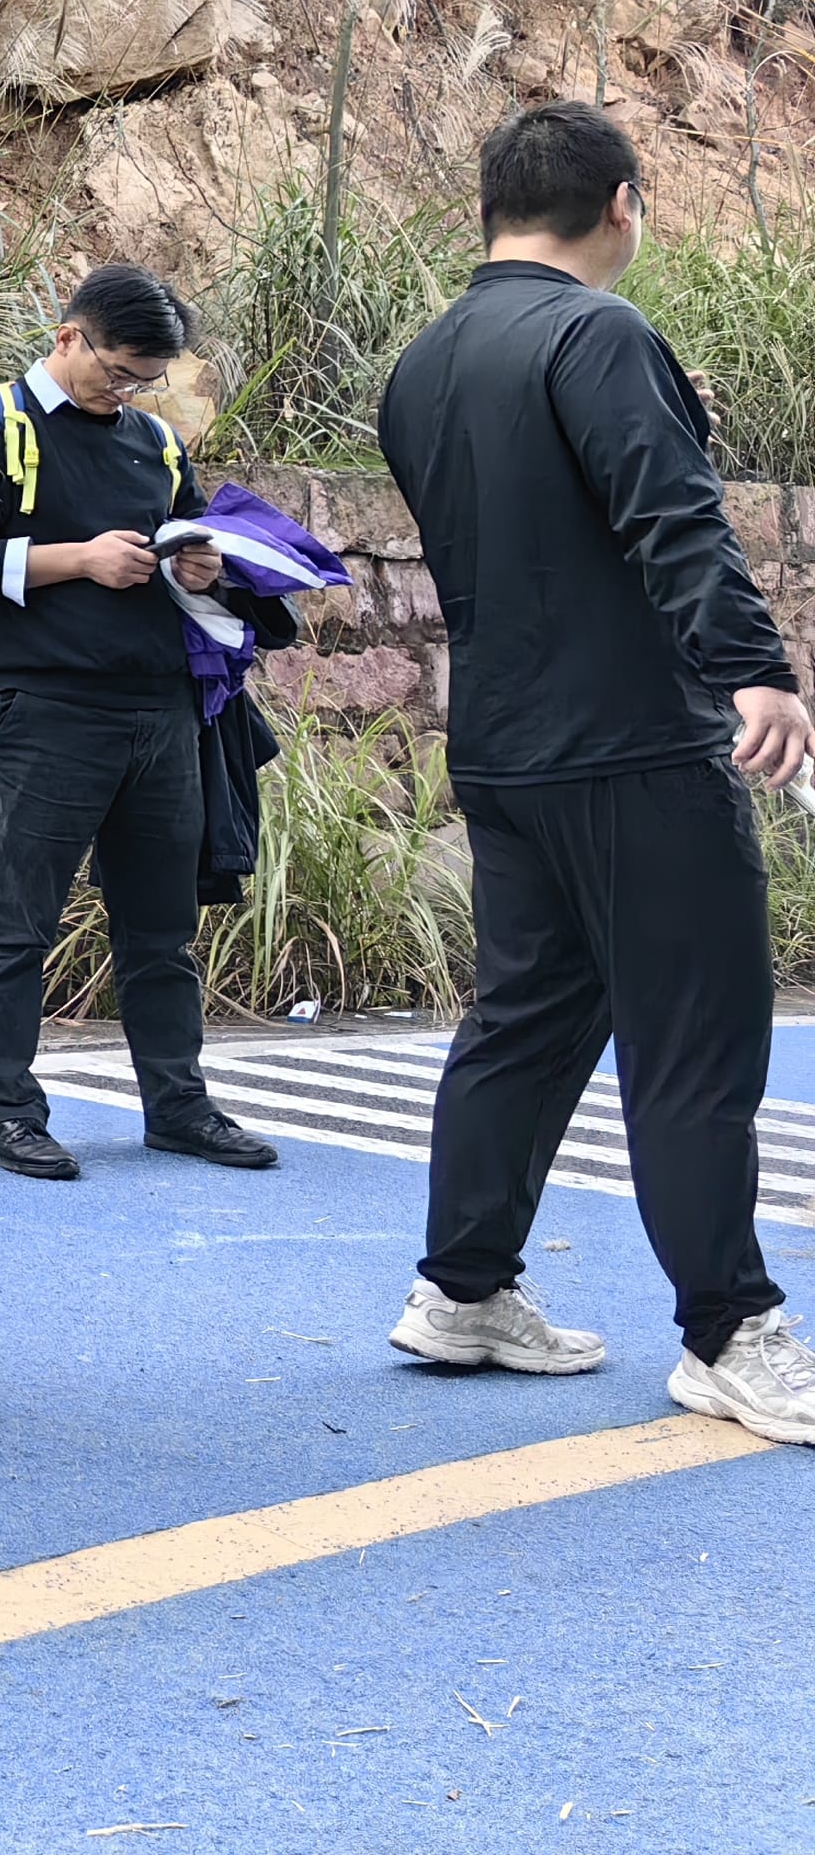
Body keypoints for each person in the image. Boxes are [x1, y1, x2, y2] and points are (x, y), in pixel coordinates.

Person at [374, 101, 815, 1441]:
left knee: (525, 1019)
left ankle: (462, 1290)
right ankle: (729, 1330)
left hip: (504, 748)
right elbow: (670, 513)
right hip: (633, 746)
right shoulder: (597, 332)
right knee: (693, 1037)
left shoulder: (423, 362)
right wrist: (755, 668)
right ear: (621, 203)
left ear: (491, 208)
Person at [0, 265, 283, 1182]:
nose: (126, 392)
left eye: (144, 381)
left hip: (163, 709)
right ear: (68, 336)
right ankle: (7, 1113)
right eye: (118, 371)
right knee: (19, 922)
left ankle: (179, 1106)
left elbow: (192, 540)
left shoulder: (158, 443)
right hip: (49, 705)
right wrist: (79, 560)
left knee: (162, 928)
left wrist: (201, 568)